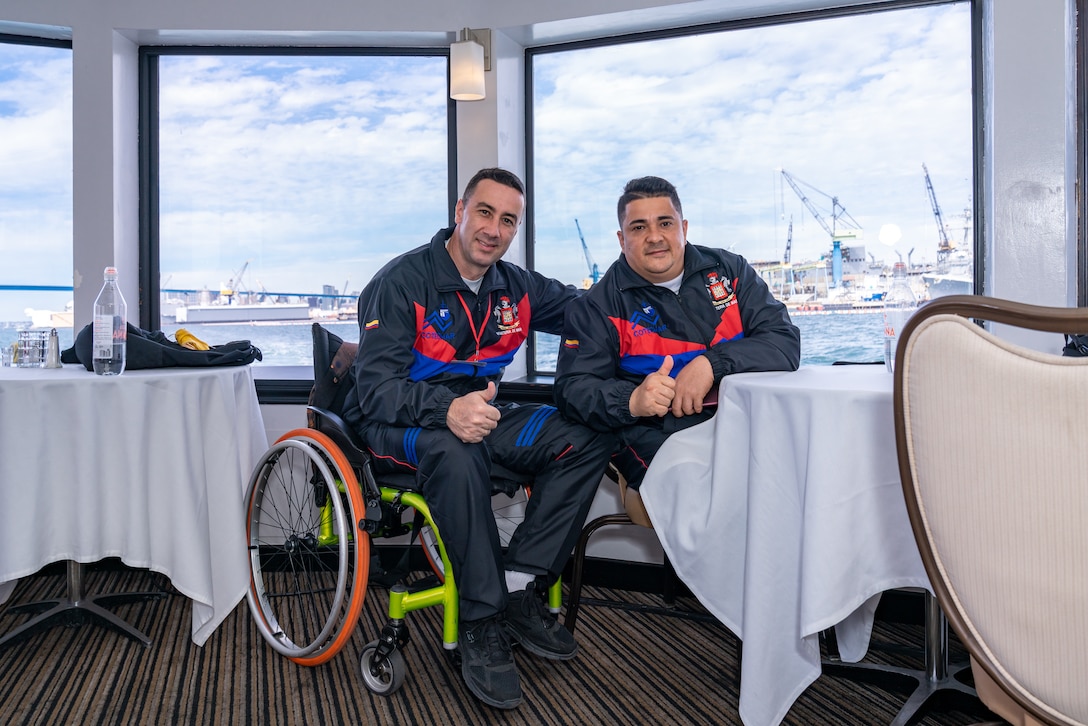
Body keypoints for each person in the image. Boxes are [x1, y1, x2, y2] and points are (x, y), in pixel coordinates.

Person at [340, 168, 614, 710]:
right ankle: (481, 618)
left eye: (508, 220)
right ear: (460, 209)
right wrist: (447, 409)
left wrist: (657, 284)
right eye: (485, 212)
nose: (494, 228)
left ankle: (516, 585)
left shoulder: (516, 287)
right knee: (456, 447)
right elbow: (375, 391)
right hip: (399, 424)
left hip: (481, 416)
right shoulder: (400, 282)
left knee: (584, 437)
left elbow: (595, 308)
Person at [554, 175, 800, 487]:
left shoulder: (730, 271)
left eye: (665, 223)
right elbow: (572, 390)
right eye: (639, 227)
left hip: (749, 422)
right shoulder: (597, 306)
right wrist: (633, 400)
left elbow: (783, 342)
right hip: (655, 433)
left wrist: (711, 364)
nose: (654, 236)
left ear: (683, 228)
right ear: (621, 238)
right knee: (718, 494)